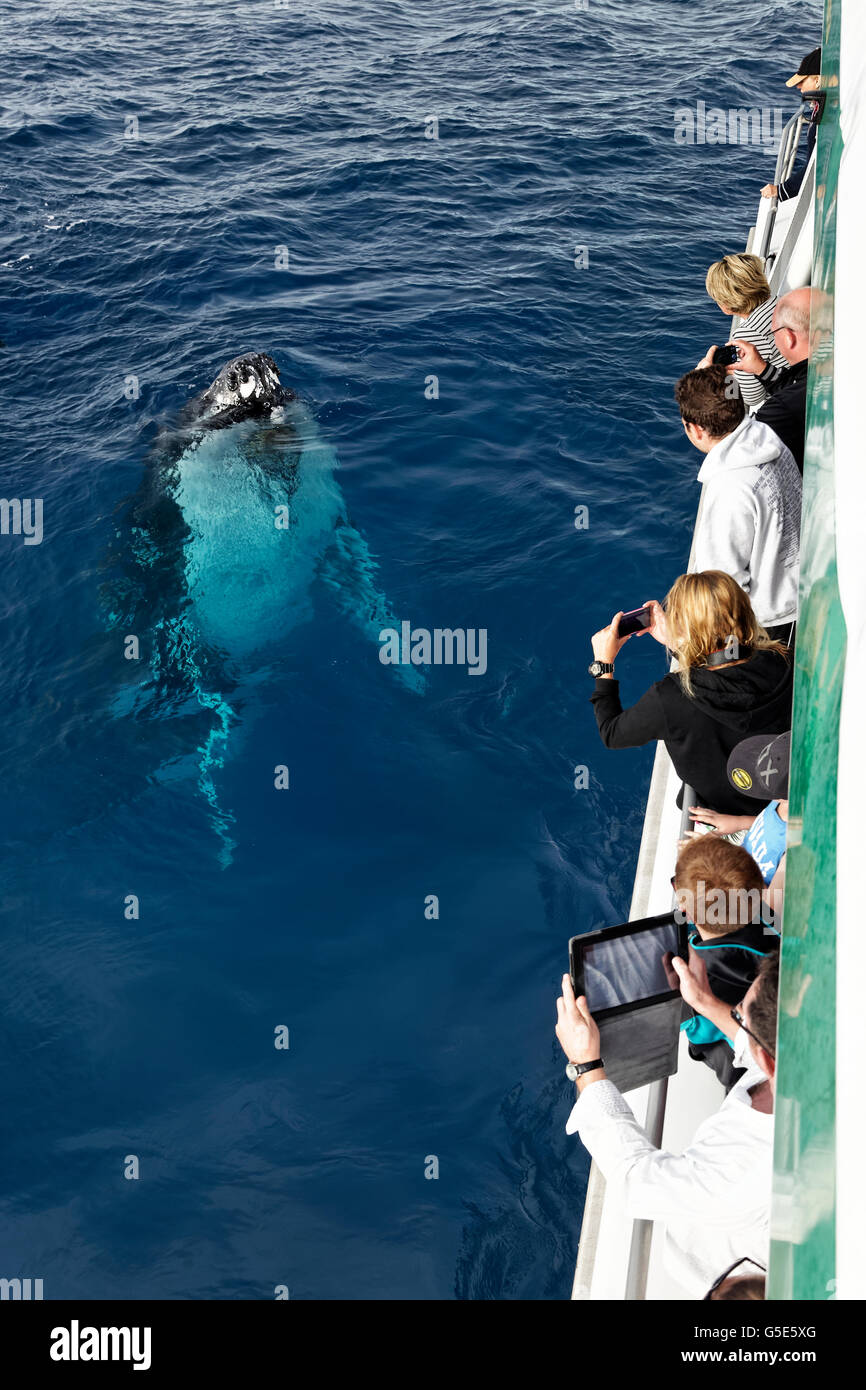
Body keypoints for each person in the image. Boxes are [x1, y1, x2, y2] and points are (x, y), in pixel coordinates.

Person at [555, 950, 778, 1298]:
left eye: (738, 1016)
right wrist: (704, 1001)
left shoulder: (741, 1170)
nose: (735, 1021)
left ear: (768, 1058)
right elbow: (766, 1050)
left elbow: (637, 1176)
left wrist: (586, 1065)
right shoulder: (817, 1064)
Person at [588, 570, 793, 816]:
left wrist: (603, 665)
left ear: (686, 629)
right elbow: (728, 663)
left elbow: (612, 733)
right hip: (787, 793)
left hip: (729, 817)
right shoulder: (781, 658)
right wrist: (677, 643)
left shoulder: (670, 698)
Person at [674, 365, 801, 642]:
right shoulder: (766, 437)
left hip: (772, 624)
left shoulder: (729, 489)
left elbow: (723, 588)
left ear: (694, 429)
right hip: (798, 591)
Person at [673, 835, 779, 1090]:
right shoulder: (767, 920)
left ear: (685, 907)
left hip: (736, 1062)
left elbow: (675, 1022)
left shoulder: (686, 978)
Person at [686, 731, 790, 919]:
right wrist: (738, 822)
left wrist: (725, 860)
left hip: (747, 891)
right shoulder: (783, 804)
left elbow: (770, 909)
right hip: (738, 866)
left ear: (779, 794)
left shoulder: (795, 846)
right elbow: (769, 827)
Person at [729, 287, 814, 472]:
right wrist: (762, 368)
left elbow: (736, 448)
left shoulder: (780, 409)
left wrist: (719, 385)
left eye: (774, 334)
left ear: (789, 337)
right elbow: (795, 385)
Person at [703, 253, 788, 407]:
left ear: (726, 306)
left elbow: (752, 398)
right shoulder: (784, 302)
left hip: (788, 400)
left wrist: (726, 377)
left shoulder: (747, 334)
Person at [760, 47, 822, 203]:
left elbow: (814, 166)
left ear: (817, 80)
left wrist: (780, 190)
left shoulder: (823, 116)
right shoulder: (820, 108)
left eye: (802, 81)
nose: (798, 87)